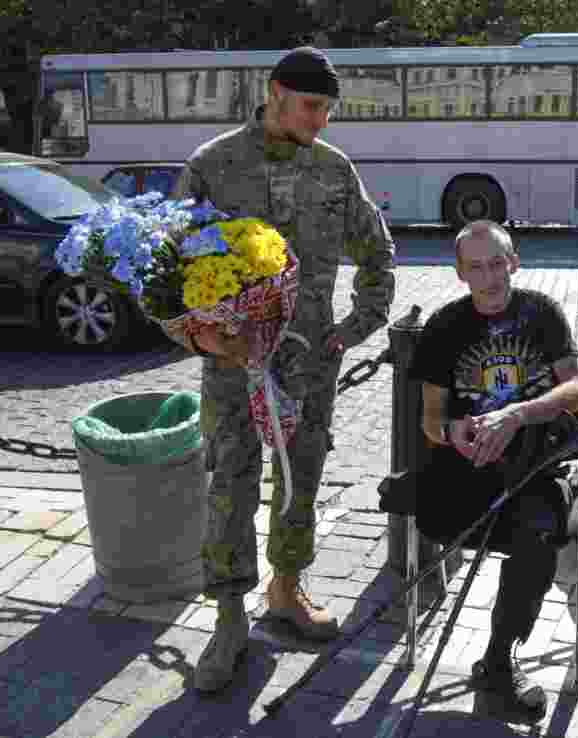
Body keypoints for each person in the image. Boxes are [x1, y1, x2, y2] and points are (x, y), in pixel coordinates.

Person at [169, 47, 396, 693]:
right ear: (274, 94)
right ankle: (228, 617)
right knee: (231, 485)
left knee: (301, 481)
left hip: (309, 368)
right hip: (233, 366)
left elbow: (378, 255)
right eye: (312, 106)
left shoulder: (334, 169)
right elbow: (166, 270)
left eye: (328, 108)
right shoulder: (213, 167)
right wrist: (203, 335)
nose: (322, 120)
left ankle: (287, 589)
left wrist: (347, 332)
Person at [408, 220, 578, 720]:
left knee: (539, 534)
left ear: (514, 261)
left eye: (497, 263)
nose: (490, 277)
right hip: (465, 470)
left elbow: (577, 391)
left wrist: (517, 414)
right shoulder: (444, 326)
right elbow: (430, 419)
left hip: (532, 467)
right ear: (460, 272)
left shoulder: (542, 313)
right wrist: (453, 434)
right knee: (453, 512)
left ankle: (498, 658)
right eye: (476, 267)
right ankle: (496, 660)